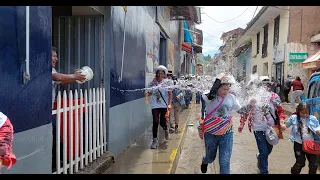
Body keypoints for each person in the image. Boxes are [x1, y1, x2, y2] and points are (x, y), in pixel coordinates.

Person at [238, 76, 286, 174]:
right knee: (264, 151)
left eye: (268, 85)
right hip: (258, 128)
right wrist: (241, 124)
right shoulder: (253, 98)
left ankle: (260, 157)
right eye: (263, 85)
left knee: (268, 150)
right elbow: (245, 111)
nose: (265, 87)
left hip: (272, 128)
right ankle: (264, 171)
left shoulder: (274, 97)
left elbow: (280, 111)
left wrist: (281, 121)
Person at [51, 46, 86, 171]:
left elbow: (62, 82)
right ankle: (56, 162)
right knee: (54, 136)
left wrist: (76, 79)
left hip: (50, 110)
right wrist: (74, 76)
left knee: (55, 136)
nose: (57, 58)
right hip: (45, 112)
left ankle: (58, 161)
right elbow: (56, 78)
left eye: (56, 56)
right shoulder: (48, 70)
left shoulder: (53, 69)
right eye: (54, 56)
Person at [200, 73, 241, 174]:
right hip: (211, 133)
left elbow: (241, 109)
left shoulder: (231, 97)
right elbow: (211, 94)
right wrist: (219, 78)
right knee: (211, 157)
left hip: (226, 133)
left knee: (224, 162)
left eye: (228, 89)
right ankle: (205, 160)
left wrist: (250, 104)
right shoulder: (209, 96)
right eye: (223, 89)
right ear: (217, 87)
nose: (226, 91)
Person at [284, 102, 320, 174]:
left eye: (307, 113)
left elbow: (317, 126)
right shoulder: (294, 118)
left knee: (314, 165)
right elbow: (286, 125)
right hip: (299, 144)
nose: (304, 115)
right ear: (298, 111)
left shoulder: (312, 118)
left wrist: (318, 130)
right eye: (302, 113)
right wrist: (281, 126)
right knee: (300, 163)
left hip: (311, 144)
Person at [147, 65, 172, 149]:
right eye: (159, 73)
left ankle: (165, 129)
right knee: (155, 121)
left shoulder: (167, 83)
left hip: (164, 105)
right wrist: (147, 93)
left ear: (164, 75)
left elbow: (170, 94)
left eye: (162, 74)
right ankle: (154, 141)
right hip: (155, 105)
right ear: (156, 74)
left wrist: (169, 104)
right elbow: (149, 92)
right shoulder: (152, 83)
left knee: (162, 122)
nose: (160, 75)